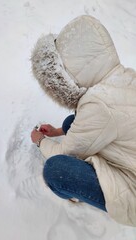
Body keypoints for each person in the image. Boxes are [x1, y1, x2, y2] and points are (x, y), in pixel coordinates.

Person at [30, 15, 136, 227]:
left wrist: (40, 140)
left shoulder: (98, 104)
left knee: (57, 170)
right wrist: (59, 131)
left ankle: (80, 194)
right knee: (72, 122)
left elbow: (66, 154)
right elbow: (99, 122)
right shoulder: (124, 77)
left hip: (132, 188)